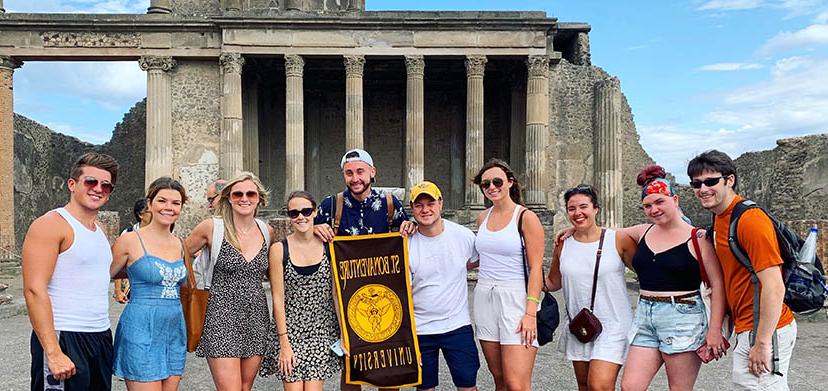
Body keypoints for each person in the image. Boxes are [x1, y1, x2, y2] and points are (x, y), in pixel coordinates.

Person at [687, 150, 797, 390]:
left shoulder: (750, 221)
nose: (702, 189)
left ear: (729, 180)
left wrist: (762, 342)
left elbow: (774, 285)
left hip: (765, 329)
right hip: (748, 326)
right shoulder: (719, 219)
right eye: (696, 184)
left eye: (711, 181)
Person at [311, 148, 415, 391]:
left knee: (388, 356)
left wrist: (409, 226)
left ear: (372, 172)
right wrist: (316, 229)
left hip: (385, 290)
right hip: (347, 294)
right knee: (352, 358)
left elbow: (405, 228)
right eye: (349, 173)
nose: (355, 178)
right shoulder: (332, 204)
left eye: (360, 171)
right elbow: (308, 233)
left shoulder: (390, 203)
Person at [619, 165, 727, 391]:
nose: (654, 209)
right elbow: (606, 234)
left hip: (683, 316)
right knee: (631, 386)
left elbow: (717, 285)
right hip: (645, 316)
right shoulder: (643, 231)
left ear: (675, 200)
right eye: (648, 205)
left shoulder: (697, 238)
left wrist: (714, 330)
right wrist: (573, 231)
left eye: (659, 202)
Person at [22, 152, 120, 390]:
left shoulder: (100, 230)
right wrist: (53, 352)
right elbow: (34, 290)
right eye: (91, 182)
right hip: (65, 334)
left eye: (106, 186)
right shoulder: (51, 225)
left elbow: (92, 276)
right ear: (72, 184)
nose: (98, 189)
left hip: (99, 335)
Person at [185, 172, 274, 391]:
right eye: (238, 194)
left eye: (250, 194)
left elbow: (277, 272)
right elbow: (179, 254)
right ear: (228, 198)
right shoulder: (212, 227)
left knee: (245, 387)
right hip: (220, 316)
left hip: (256, 318)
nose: (244, 198)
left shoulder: (267, 231)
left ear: (259, 198)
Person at [545, 184, 637, 391]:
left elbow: (646, 270)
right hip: (581, 324)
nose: (578, 213)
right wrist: (522, 277)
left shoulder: (617, 239)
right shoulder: (563, 243)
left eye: (583, 207)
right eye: (571, 208)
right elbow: (553, 282)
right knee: (585, 385)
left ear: (596, 208)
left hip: (613, 323)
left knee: (599, 385)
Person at [109, 177, 189, 389]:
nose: (168, 208)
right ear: (150, 203)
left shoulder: (181, 245)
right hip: (140, 327)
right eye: (162, 201)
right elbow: (102, 276)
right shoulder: (130, 240)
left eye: (175, 203)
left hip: (174, 328)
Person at [472, 158, 544, 391]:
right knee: (499, 378)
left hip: (515, 297)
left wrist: (530, 313)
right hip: (484, 295)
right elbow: (479, 257)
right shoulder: (482, 218)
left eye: (497, 181)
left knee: (517, 383)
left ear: (510, 182)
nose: (492, 187)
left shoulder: (526, 218)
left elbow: (535, 269)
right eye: (485, 184)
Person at [264, 191, 340, 391]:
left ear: (315, 212)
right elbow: (278, 299)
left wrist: (345, 334)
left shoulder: (329, 246)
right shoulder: (279, 249)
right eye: (294, 213)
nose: (301, 217)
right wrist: (284, 344)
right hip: (290, 331)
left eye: (306, 211)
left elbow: (335, 294)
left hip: (321, 330)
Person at [408, 181, 480, 391]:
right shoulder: (406, 242)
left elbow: (478, 260)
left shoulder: (463, 236)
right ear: (412, 209)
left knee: (467, 384)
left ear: (441, 204)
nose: (425, 209)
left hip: (456, 325)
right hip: (420, 328)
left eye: (430, 203)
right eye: (419, 205)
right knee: (425, 387)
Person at [114, 198, 152, 304]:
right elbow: (118, 264)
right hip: (134, 290)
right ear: (141, 215)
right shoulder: (128, 234)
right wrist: (117, 290)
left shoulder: (161, 235)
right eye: (150, 212)